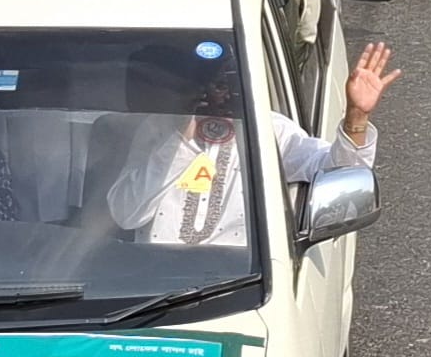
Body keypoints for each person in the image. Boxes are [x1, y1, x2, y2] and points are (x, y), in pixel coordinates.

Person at [107, 43, 398, 246]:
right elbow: (127, 214)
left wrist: (356, 117)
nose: (216, 98)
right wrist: (181, 135)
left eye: (224, 87)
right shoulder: (158, 131)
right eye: (206, 89)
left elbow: (343, 174)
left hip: (240, 284)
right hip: (157, 283)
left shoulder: (266, 129)